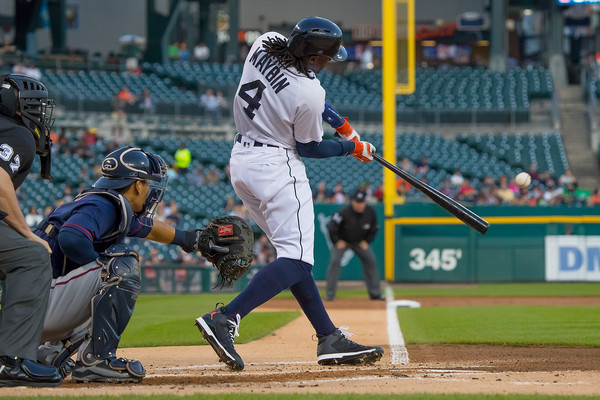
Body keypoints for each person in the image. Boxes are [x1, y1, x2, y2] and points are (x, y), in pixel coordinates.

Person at [194, 16, 383, 372]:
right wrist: (351, 148)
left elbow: (300, 98)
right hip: (277, 167)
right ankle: (226, 318)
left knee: (291, 255)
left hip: (243, 161)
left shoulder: (266, 41)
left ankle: (328, 337)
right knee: (298, 259)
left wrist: (340, 124)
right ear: (313, 58)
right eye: (326, 58)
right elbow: (309, 147)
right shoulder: (309, 91)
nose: (328, 63)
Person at [33, 146, 207, 383]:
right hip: (36, 307)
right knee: (118, 267)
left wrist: (193, 240)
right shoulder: (103, 205)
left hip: (30, 308)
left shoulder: (105, 203)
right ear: (138, 184)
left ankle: (45, 354)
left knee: (106, 275)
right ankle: (97, 360)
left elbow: (149, 228)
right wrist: (99, 269)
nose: (150, 190)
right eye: (148, 183)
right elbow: (70, 237)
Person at [0, 74, 63, 387]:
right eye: (37, 107)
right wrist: (27, 232)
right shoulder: (17, 133)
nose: (41, 115)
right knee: (32, 255)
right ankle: (10, 360)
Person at [325, 191, 382, 301]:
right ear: (352, 202)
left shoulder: (370, 212)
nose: (359, 205)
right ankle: (329, 295)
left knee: (371, 261)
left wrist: (367, 241)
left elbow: (374, 228)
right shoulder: (343, 212)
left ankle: (375, 293)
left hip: (360, 242)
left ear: (365, 203)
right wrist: (337, 241)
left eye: (361, 202)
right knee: (334, 262)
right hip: (344, 241)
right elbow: (332, 227)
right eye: (357, 202)